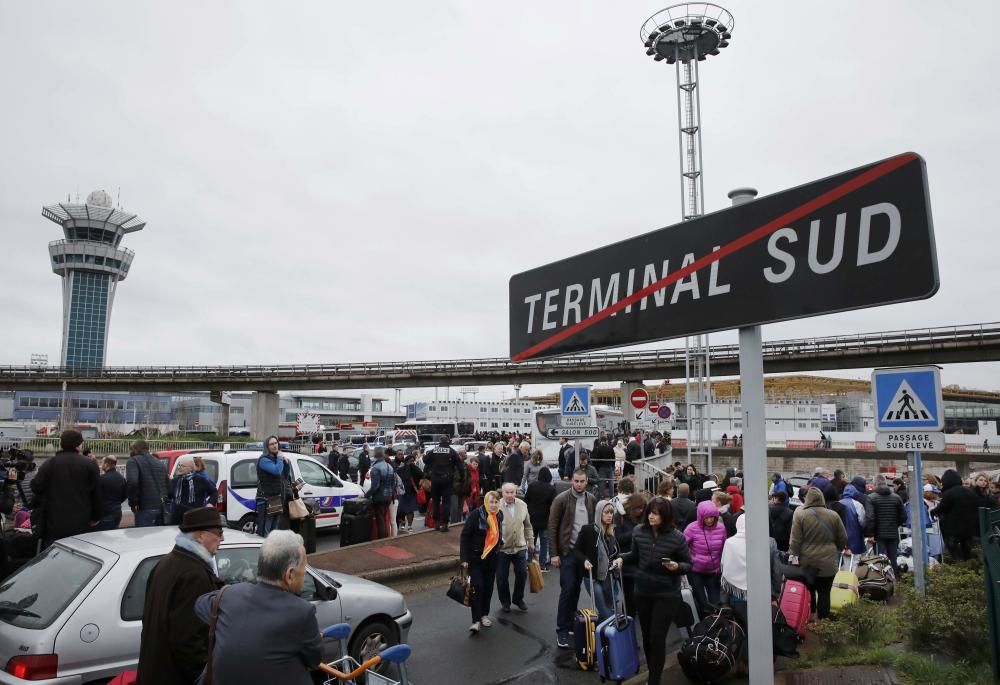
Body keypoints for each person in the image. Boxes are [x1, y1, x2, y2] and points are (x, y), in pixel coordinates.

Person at [194, 530, 323, 683]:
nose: (304, 573)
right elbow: (314, 660)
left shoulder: (228, 595)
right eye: (304, 567)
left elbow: (200, 604)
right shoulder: (302, 612)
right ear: (289, 575)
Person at [137, 507, 225, 685]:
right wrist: (205, 678)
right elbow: (188, 640)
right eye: (218, 531)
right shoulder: (194, 575)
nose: (222, 537)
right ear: (200, 536)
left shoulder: (166, 563)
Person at [613, 498, 692, 685]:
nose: (650, 516)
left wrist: (676, 566)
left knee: (657, 637)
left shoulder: (677, 537)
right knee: (647, 637)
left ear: (664, 516)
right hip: (642, 591)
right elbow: (634, 555)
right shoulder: (639, 532)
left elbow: (688, 564)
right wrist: (621, 559)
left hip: (667, 593)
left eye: (655, 513)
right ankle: (652, 673)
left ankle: (654, 680)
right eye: (649, 512)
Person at [548, 469, 597, 648]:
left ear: (586, 481)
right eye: (576, 481)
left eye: (582, 481)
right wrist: (554, 553)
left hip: (582, 554)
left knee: (576, 589)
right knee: (567, 589)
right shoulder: (561, 499)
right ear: (572, 481)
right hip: (567, 551)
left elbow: (593, 525)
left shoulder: (591, 499)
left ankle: (571, 624)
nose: (579, 484)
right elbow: (552, 526)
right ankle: (561, 629)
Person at [30, 429, 101, 547]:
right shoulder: (89, 464)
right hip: (81, 521)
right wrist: (95, 517)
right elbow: (96, 493)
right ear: (78, 445)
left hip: (54, 521)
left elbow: (36, 487)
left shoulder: (50, 463)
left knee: (54, 555)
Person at [789, 488, 848, 620]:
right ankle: (823, 621)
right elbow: (843, 538)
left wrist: (794, 555)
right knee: (825, 593)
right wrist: (835, 548)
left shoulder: (800, 515)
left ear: (807, 498)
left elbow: (795, 540)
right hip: (829, 561)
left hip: (807, 561)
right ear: (822, 498)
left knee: (809, 591)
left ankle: (810, 618)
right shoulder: (833, 515)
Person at [461, 490, 504, 634]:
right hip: (476, 558)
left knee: (488, 587)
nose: (493, 505)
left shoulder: (499, 515)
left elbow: (498, 533)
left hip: (492, 558)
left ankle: (484, 614)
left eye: (496, 502)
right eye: (491, 502)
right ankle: (476, 620)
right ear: (486, 502)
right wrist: (464, 559)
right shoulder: (476, 515)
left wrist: (500, 542)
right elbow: (465, 536)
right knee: (477, 587)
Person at [574, 499, 620, 622]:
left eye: (611, 512)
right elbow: (576, 550)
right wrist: (584, 560)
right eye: (606, 512)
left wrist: (617, 560)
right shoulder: (588, 530)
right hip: (592, 577)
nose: (610, 515)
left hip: (609, 576)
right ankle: (611, 636)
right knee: (605, 610)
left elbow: (615, 554)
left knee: (608, 608)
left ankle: (601, 638)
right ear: (599, 513)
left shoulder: (612, 532)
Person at [934, 468, 992, 561]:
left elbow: (941, 508)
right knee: (967, 551)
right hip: (969, 528)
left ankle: (958, 566)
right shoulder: (969, 491)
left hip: (953, 528)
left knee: (952, 550)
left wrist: (933, 512)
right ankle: (967, 566)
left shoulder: (949, 493)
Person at [684, 500, 727, 617]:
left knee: (716, 602)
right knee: (702, 603)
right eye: (706, 517)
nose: (709, 520)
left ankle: (716, 627)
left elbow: (724, 548)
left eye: (712, 517)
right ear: (700, 516)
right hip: (695, 571)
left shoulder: (721, 528)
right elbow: (682, 547)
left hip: (713, 571)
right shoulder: (691, 528)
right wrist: (691, 559)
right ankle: (704, 628)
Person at [496, 482, 534, 613]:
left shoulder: (523, 505)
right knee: (501, 577)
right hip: (502, 549)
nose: (510, 495)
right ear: (502, 493)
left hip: (519, 547)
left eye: (512, 492)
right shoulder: (496, 506)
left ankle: (518, 598)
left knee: (522, 574)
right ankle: (505, 602)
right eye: (507, 492)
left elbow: (528, 525)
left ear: (516, 493)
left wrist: (531, 541)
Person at [614, 491, 649, 615]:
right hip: (625, 560)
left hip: (641, 560)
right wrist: (636, 531)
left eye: (642, 508)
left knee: (638, 594)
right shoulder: (620, 517)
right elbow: (618, 539)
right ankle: (628, 618)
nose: (640, 511)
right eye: (638, 508)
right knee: (629, 595)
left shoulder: (644, 517)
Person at [255, 436, 294, 537]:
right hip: (266, 500)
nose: (274, 445)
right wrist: (280, 458)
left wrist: (286, 463)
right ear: (267, 446)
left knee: (274, 531)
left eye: (276, 443)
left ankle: (271, 551)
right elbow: (276, 471)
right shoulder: (264, 460)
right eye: (271, 444)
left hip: (277, 498)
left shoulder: (276, 459)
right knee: (265, 530)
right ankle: (263, 550)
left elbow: (284, 475)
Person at [867, 474, 906, 574]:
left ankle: (882, 581)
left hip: (879, 534)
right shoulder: (897, 497)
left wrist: (870, 534)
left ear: (875, 484)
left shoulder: (871, 498)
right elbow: (903, 517)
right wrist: (894, 524)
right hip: (893, 532)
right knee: (893, 559)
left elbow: (870, 517)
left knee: (880, 559)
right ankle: (895, 580)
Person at [126, 439, 170, 528]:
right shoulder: (160, 462)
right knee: (157, 539)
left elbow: (133, 482)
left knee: (143, 539)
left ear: (135, 449)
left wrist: (133, 503)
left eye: (131, 449)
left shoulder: (133, 461)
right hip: (161, 507)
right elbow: (168, 485)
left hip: (144, 508)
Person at [424, 437, 461, 531]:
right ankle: (444, 524)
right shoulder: (451, 451)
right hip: (447, 479)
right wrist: (461, 477)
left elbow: (425, 460)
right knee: (446, 502)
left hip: (435, 478)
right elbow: (459, 464)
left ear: (440, 442)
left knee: (436, 501)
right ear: (448, 441)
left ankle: (436, 522)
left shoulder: (434, 450)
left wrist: (432, 465)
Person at [170, 456, 219, 526]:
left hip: (195, 517)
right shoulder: (175, 481)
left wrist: (210, 503)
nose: (179, 468)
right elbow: (169, 495)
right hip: (177, 519)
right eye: (179, 465)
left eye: (182, 466)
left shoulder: (200, 480)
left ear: (190, 468)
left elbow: (214, 492)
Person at [525, 466, 556, 571]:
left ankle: (529, 562)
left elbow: (526, 500)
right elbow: (554, 504)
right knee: (544, 543)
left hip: (532, 518)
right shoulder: (551, 488)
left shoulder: (532, 485)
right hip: (545, 518)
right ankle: (542, 565)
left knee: (531, 542)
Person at [367, 447, 395, 540]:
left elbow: (375, 486)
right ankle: (386, 537)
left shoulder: (375, 467)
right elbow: (392, 483)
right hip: (389, 495)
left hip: (379, 496)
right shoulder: (389, 466)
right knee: (384, 517)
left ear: (375, 455)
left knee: (380, 519)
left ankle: (382, 539)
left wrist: (367, 495)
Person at [96, 455, 128, 531]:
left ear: (106, 464)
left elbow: (96, 496)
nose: (101, 465)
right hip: (116, 511)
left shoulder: (102, 479)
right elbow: (125, 494)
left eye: (102, 463)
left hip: (104, 513)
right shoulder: (122, 478)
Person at [396, 453, 423, 533]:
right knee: (401, 510)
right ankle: (403, 523)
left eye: (413, 461)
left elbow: (421, 475)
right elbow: (402, 478)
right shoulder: (401, 469)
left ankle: (410, 526)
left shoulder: (415, 469)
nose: (412, 463)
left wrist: (413, 467)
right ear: (406, 461)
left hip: (412, 492)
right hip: (403, 492)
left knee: (410, 510)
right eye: (411, 461)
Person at [839, 485, 867, 555]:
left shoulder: (838, 503)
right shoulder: (858, 505)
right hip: (855, 538)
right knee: (854, 562)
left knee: (841, 563)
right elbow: (863, 522)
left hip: (840, 540)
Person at [591, 433, 616, 499]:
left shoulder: (598, 448)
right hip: (610, 467)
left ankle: (602, 496)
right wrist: (613, 466)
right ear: (606, 440)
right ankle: (612, 496)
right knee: (611, 482)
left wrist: (598, 468)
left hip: (602, 468)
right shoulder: (610, 448)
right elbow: (613, 458)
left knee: (602, 483)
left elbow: (597, 459)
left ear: (600, 441)